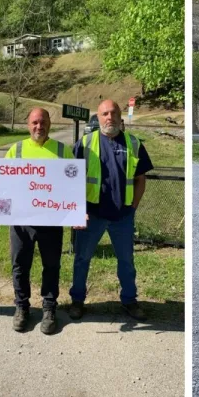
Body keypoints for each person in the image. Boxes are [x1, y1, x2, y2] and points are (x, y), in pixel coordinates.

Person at [69, 100, 153, 321]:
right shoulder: (85, 144)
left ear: (120, 116)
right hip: (92, 215)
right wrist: (77, 210)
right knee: (82, 259)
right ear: (98, 117)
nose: (110, 117)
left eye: (114, 113)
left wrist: (133, 208)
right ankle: (77, 300)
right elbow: (70, 179)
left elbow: (140, 180)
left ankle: (129, 300)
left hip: (122, 217)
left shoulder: (133, 143)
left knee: (126, 261)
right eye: (105, 113)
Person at [4, 108, 74, 334]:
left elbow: (73, 186)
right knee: (19, 266)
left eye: (43, 122)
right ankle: (22, 307)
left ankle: (49, 308)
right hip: (21, 222)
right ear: (28, 125)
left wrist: (76, 211)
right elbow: (3, 185)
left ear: (50, 124)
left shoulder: (63, 151)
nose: (38, 126)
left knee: (51, 266)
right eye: (34, 122)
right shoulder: (17, 150)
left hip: (52, 221)